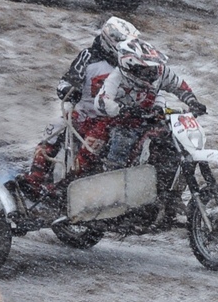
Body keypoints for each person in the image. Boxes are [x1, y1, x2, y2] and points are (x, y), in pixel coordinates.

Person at [17, 16, 139, 196]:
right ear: (109, 40)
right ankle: (34, 179)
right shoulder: (88, 57)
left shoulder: (132, 64)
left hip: (111, 119)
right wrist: (69, 90)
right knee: (53, 129)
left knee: (92, 144)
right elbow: (65, 82)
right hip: (83, 114)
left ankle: (70, 186)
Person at [90, 38, 206, 171]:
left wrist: (192, 102)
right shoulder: (116, 77)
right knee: (123, 140)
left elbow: (178, 85)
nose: (151, 72)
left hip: (152, 115)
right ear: (130, 67)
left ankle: (166, 171)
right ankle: (113, 173)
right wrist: (123, 110)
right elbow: (102, 101)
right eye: (145, 69)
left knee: (173, 136)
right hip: (122, 121)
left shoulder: (160, 72)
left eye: (153, 67)